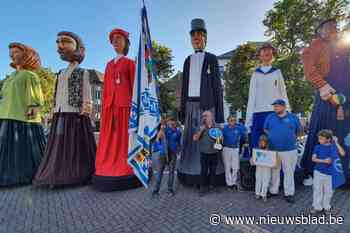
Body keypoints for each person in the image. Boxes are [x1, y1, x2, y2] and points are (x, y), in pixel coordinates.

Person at [34, 31, 96, 187]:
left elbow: (86, 93)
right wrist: (53, 109)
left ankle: (75, 173)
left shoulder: (83, 72)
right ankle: (58, 172)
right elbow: (57, 92)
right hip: (60, 112)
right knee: (59, 143)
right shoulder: (60, 73)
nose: (60, 45)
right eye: (59, 42)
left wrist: (86, 110)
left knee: (74, 143)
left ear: (77, 46)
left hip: (75, 114)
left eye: (66, 41)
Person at [301, 18, 350, 186]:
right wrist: (323, 86)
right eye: (328, 27)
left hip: (346, 91)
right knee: (322, 129)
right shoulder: (315, 45)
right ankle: (311, 172)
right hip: (327, 91)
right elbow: (309, 69)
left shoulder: (342, 46)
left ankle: (344, 176)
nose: (332, 30)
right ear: (320, 30)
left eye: (334, 27)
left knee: (344, 134)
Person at [178, 18, 225, 186]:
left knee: (210, 140)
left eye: (200, 35)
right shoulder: (187, 60)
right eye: (194, 36)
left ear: (205, 39)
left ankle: (213, 175)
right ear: (191, 40)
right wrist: (182, 110)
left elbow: (217, 88)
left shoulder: (212, 59)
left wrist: (219, 114)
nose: (196, 38)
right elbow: (183, 87)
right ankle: (189, 172)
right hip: (190, 105)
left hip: (208, 106)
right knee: (191, 140)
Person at [93, 28, 138, 192]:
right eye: (114, 39)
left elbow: (134, 87)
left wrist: (135, 109)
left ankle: (126, 164)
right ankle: (108, 164)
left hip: (125, 107)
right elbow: (106, 89)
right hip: (110, 107)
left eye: (119, 38)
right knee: (111, 138)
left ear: (126, 42)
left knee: (125, 138)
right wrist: (105, 107)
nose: (116, 41)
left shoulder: (130, 63)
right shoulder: (108, 65)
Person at [0, 42, 45, 186]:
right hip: (5, 116)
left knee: (20, 149)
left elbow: (35, 99)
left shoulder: (30, 75)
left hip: (21, 118)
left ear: (26, 55)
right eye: (11, 52)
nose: (12, 54)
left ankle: (21, 176)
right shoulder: (11, 76)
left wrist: (31, 122)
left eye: (16, 52)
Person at [246, 43, 290, 150]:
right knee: (258, 144)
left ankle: (276, 167)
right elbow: (251, 96)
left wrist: (287, 112)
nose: (266, 52)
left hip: (274, 112)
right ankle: (259, 167)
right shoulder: (255, 74)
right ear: (260, 56)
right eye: (263, 51)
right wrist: (249, 118)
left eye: (269, 51)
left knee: (275, 143)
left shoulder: (277, 72)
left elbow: (283, 93)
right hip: (258, 113)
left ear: (272, 56)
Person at [264, 99, 302, 203]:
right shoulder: (270, 117)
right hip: (273, 150)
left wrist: (292, 138)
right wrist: (271, 136)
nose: (275, 108)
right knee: (274, 171)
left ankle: (289, 193)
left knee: (288, 172)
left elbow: (299, 131)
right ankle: (273, 191)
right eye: (274, 106)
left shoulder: (293, 117)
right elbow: (265, 129)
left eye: (277, 106)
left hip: (289, 150)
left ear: (284, 107)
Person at [311, 130, 345, 214]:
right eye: (319, 138)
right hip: (318, 172)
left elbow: (343, 153)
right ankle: (317, 207)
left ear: (328, 139)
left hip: (330, 174)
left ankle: (326, 207)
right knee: (317, 190)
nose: (319, 140)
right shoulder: (317, 147)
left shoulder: (333, 146)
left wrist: (336, 142)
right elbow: (313, 159)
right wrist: (324, 161)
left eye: (321, 138)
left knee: (329, 192)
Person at [193, 111, 222, 196]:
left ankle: (213, 186)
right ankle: (202, 188)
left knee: (213, 171)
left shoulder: (217, 126)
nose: (204, 117)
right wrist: (201, 130)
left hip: (214, 153)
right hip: (204, 153)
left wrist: (221, 138)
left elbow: (221, 139)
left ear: (211, 117)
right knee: (204, 171)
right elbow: (195, 138)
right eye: (203, 116)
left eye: (206, 115)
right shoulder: (200, 126)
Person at [222, 115, 246, 190]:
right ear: (228, 121)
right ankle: (229, 184)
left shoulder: (239, 128)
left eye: (234, 120)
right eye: (231, 120)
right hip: (226, 149)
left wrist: (245, 141)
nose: (233, 122)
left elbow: (245, 133)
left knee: (235, 167)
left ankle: (234, 182)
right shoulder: (224, 128)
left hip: (235, 149)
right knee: (227, 167)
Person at [164, 117, 182, 195]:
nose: (172, 124)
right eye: (170, 123)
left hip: (173, 154)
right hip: (163, 154)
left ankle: (169, 189)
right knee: (160, 173)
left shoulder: (178, 132)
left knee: (171, 172)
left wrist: (178, 150)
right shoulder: (165, 130)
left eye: (173, 123)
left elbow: (179, 142)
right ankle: (156, 189)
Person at [251, 135, 271, 202]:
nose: (262, 143)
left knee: (266, 180)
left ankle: (264, 194)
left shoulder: (270, 150)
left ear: (266, 142)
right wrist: (252, 160)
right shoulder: (256, 149)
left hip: (267, 167)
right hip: (259, 167)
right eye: (261, 142)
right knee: (258, 179)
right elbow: (252, 160)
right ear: (259, 142)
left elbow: (272, 159)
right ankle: (257, 193)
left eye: (264, 142)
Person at [151, 120, 169, 197]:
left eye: (165, 125)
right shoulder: (161, 132)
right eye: (162, 125)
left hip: (168, 155)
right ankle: (155, 191)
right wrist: (161, 148)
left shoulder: (168, 131)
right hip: (162, 156)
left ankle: (167, 190)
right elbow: (157, 141)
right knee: (159, 174)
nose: (163, 126)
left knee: (164, 173)